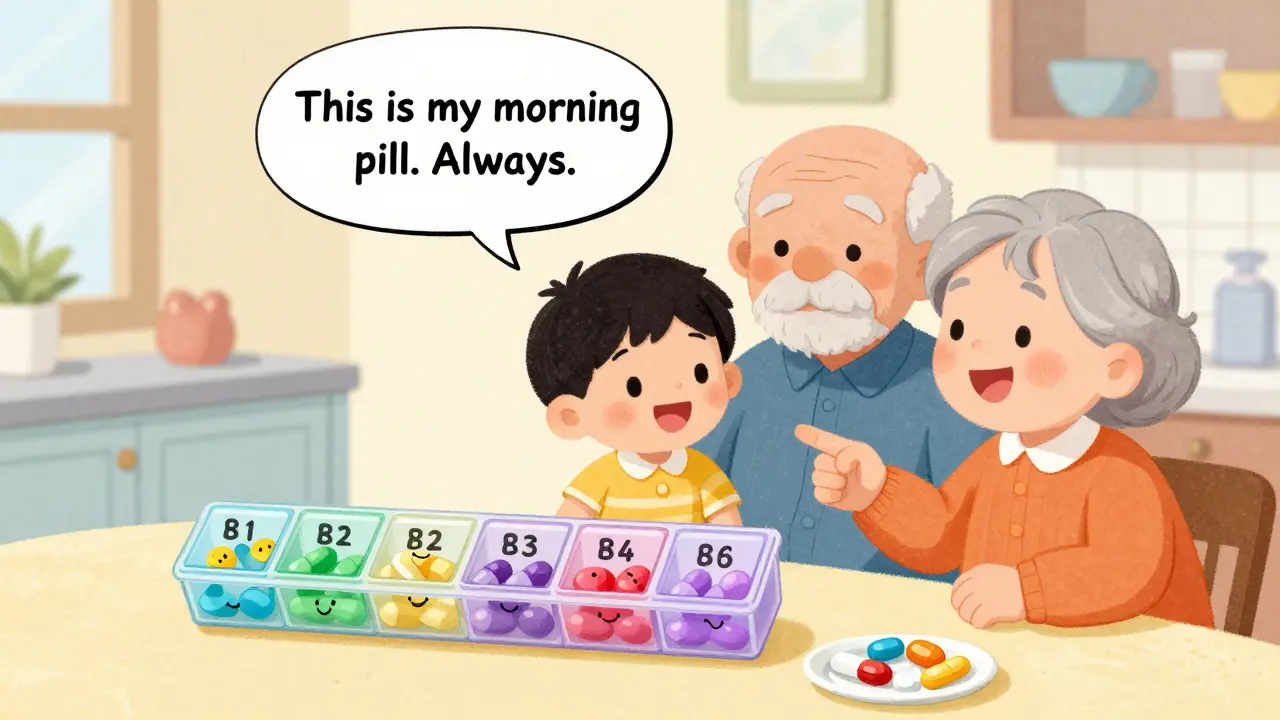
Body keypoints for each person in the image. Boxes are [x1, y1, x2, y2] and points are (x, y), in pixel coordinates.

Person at [798, 189, 1214, 629]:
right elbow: (942, 534)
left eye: (1021, 334)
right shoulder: (998, 457)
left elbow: (1126, 571)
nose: (978, 349)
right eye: (958, 328)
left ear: (1115, 368)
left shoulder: (1120, 473)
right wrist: (876, 492)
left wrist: (1025, 590)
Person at [695, 126, 991, 577]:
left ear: (922, 270)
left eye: (853, 250)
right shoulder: (741, 380)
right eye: (781, 247)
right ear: (745, 254)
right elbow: (684, 495)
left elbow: (974, 533)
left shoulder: (953, 386)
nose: (808, 269)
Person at [527, 253, 744, 525]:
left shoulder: (704, 475)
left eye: (699, 373)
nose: (672, 392)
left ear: (728, 380)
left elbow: (731, 537)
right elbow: (566, 531)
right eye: (634, 387)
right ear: (572, 415)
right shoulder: (600, 478)